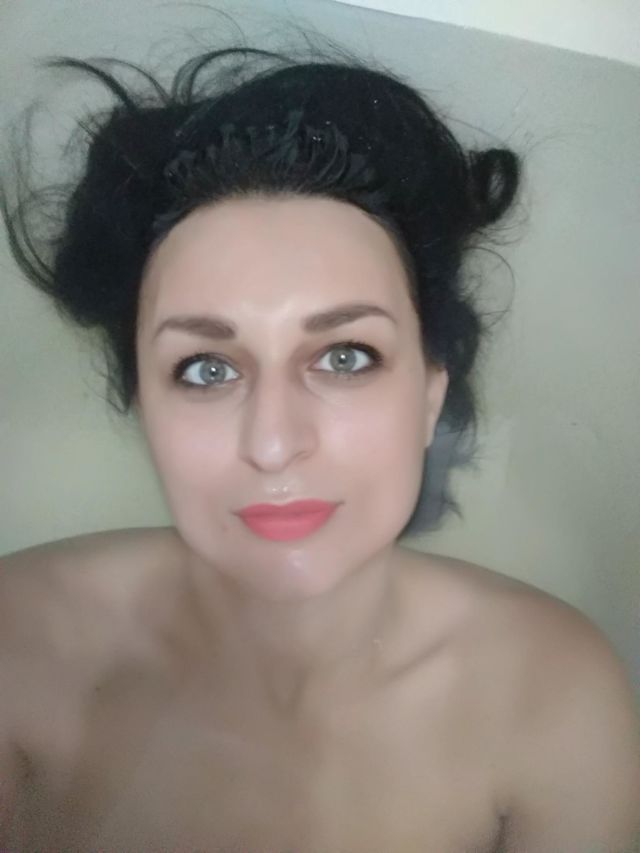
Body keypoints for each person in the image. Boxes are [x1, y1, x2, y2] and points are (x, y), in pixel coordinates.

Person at [1, 32, 638, 853]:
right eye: (205, 369)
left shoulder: (554, 696)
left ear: (430, 393)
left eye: (345, 356)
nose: (274, 443)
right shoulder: (17, 642)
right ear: (143, 404)